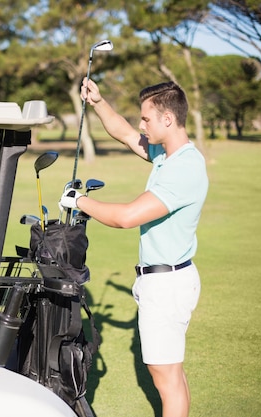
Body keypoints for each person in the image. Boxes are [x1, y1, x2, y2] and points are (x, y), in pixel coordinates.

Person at [59, 78, 208, 417]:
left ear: (168, 119)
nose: (142, 125)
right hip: (164, 279)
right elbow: (124, 133)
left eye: (147, 119)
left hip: (167, 284)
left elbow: (127, 217)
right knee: (172, 375)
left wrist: (79, 201)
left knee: (166, 380)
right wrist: (98, 101)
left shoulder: (183, 168)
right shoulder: (167, 156)